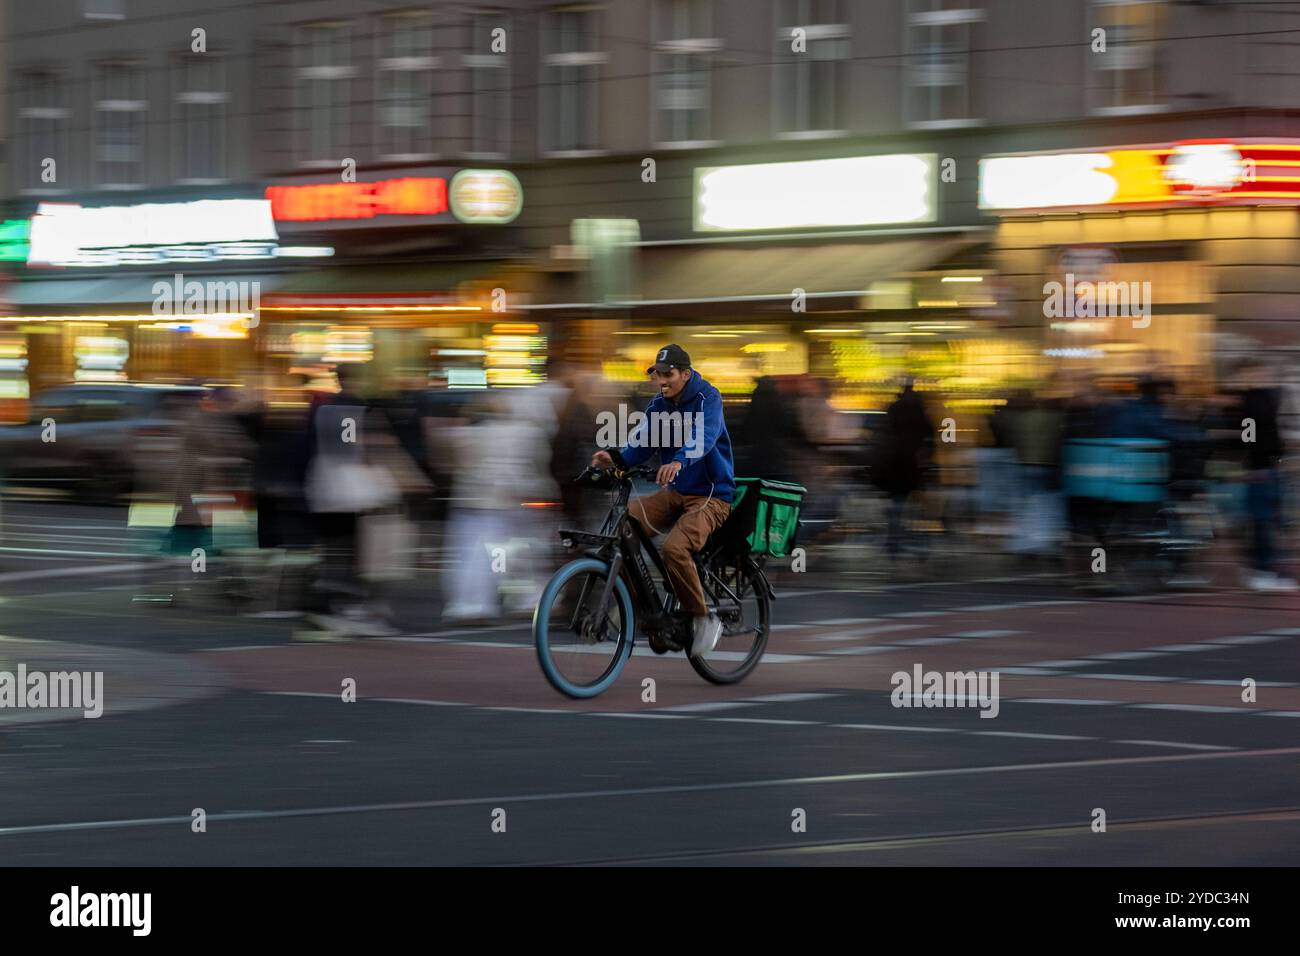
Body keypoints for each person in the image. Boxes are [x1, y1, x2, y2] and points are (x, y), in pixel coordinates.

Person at [590, 344, 734, 658]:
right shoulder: (659, 405)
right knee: (623, 524)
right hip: (675, 492)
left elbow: (704, 436)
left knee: (674, 548)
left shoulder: (708, 397)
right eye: (658, 375)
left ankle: (702, 616)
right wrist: (614, 458)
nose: (661, 381)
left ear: (686, 373)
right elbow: (638, 445)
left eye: (668, 374)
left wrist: (680, 461)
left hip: (711, 496)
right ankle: (646, 612)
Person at [1235, 361, 1296, 591]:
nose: (1266, 375)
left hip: (1266, 468)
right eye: (1261, 372)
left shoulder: (1263, 399)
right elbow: (1248, 437)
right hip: (1262, 470)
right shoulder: (1253, 401)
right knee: (1265, 521)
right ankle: (1263, 570)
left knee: (1266, 521)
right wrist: (1257, 465)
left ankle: (1261, 568)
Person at [873, 377, 935, 564]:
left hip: (893, 463)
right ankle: (916, 544)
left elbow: (882, 434)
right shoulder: (921, 411)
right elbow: (930, 439)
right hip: (914, 464)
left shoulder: (893, 409)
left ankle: (894, 542)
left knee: (896, 505)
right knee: (915, 508)